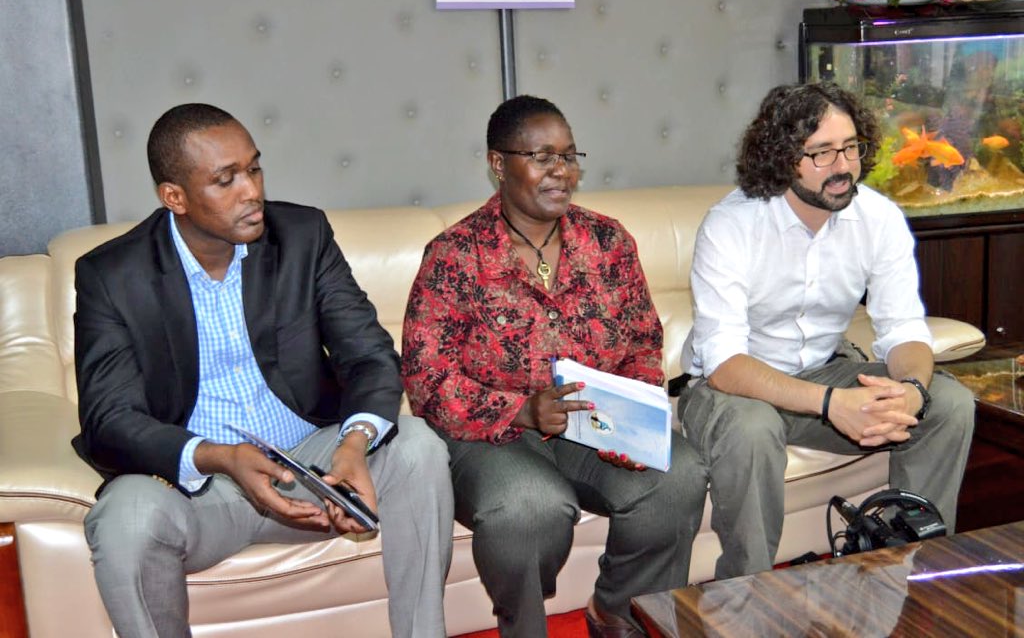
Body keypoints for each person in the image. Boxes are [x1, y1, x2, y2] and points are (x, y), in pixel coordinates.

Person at [72, 103, 453, 638]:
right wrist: (220, 457)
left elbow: (369, 354)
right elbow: (109, 419)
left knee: (416, 446)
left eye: (254, 169)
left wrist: (352, 447)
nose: (251, 191)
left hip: (311, 470)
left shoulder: (302, 235)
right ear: (175, 197)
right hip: (200, 488)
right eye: (225, 180)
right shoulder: (112, 274)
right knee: (124, 520)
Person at [401, 95, 708, 638]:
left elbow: (642, 340)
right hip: (492, 437)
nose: (561, 171)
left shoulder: (608, 241)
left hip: (593, 424)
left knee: (677, 474)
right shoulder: (455, 255)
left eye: (568, 156)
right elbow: (428, 379)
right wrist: (521, 411)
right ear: (499, 164)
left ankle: (621, 614)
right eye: (541, 157)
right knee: (531, 506)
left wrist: (630, 415)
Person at [679, 82, 975, 580]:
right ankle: (747, 593)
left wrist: (912, 390)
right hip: (731, 390)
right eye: (820, 153)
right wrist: (832, 404)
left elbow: (903, 326)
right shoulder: (731, 225)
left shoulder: (878, 218)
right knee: (753, 430)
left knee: (949, 403)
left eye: (850, 147)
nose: (842, 166)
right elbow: (725, 364)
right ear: (781, 158)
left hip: (824, 371)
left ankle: (906, 569)